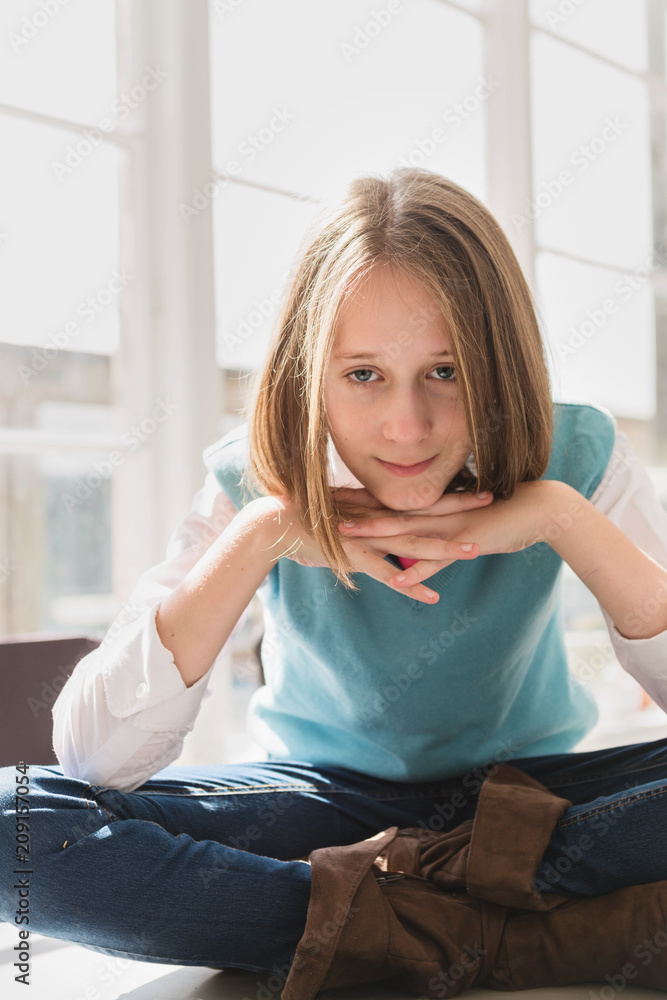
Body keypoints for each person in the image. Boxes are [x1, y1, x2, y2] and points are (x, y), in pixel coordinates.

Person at [2, 167, 667, 995]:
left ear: (498, 365)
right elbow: (93, 759)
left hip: (531, 801)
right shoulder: (251, 481)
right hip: (319, 801)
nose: (406, 426)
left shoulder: (578, 458)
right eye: (362, 375)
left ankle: (367, 925)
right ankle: (508, 935)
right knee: (14, 819)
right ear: (309, 376)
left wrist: (565, 521)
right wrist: (263, 532)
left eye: (446, 371)